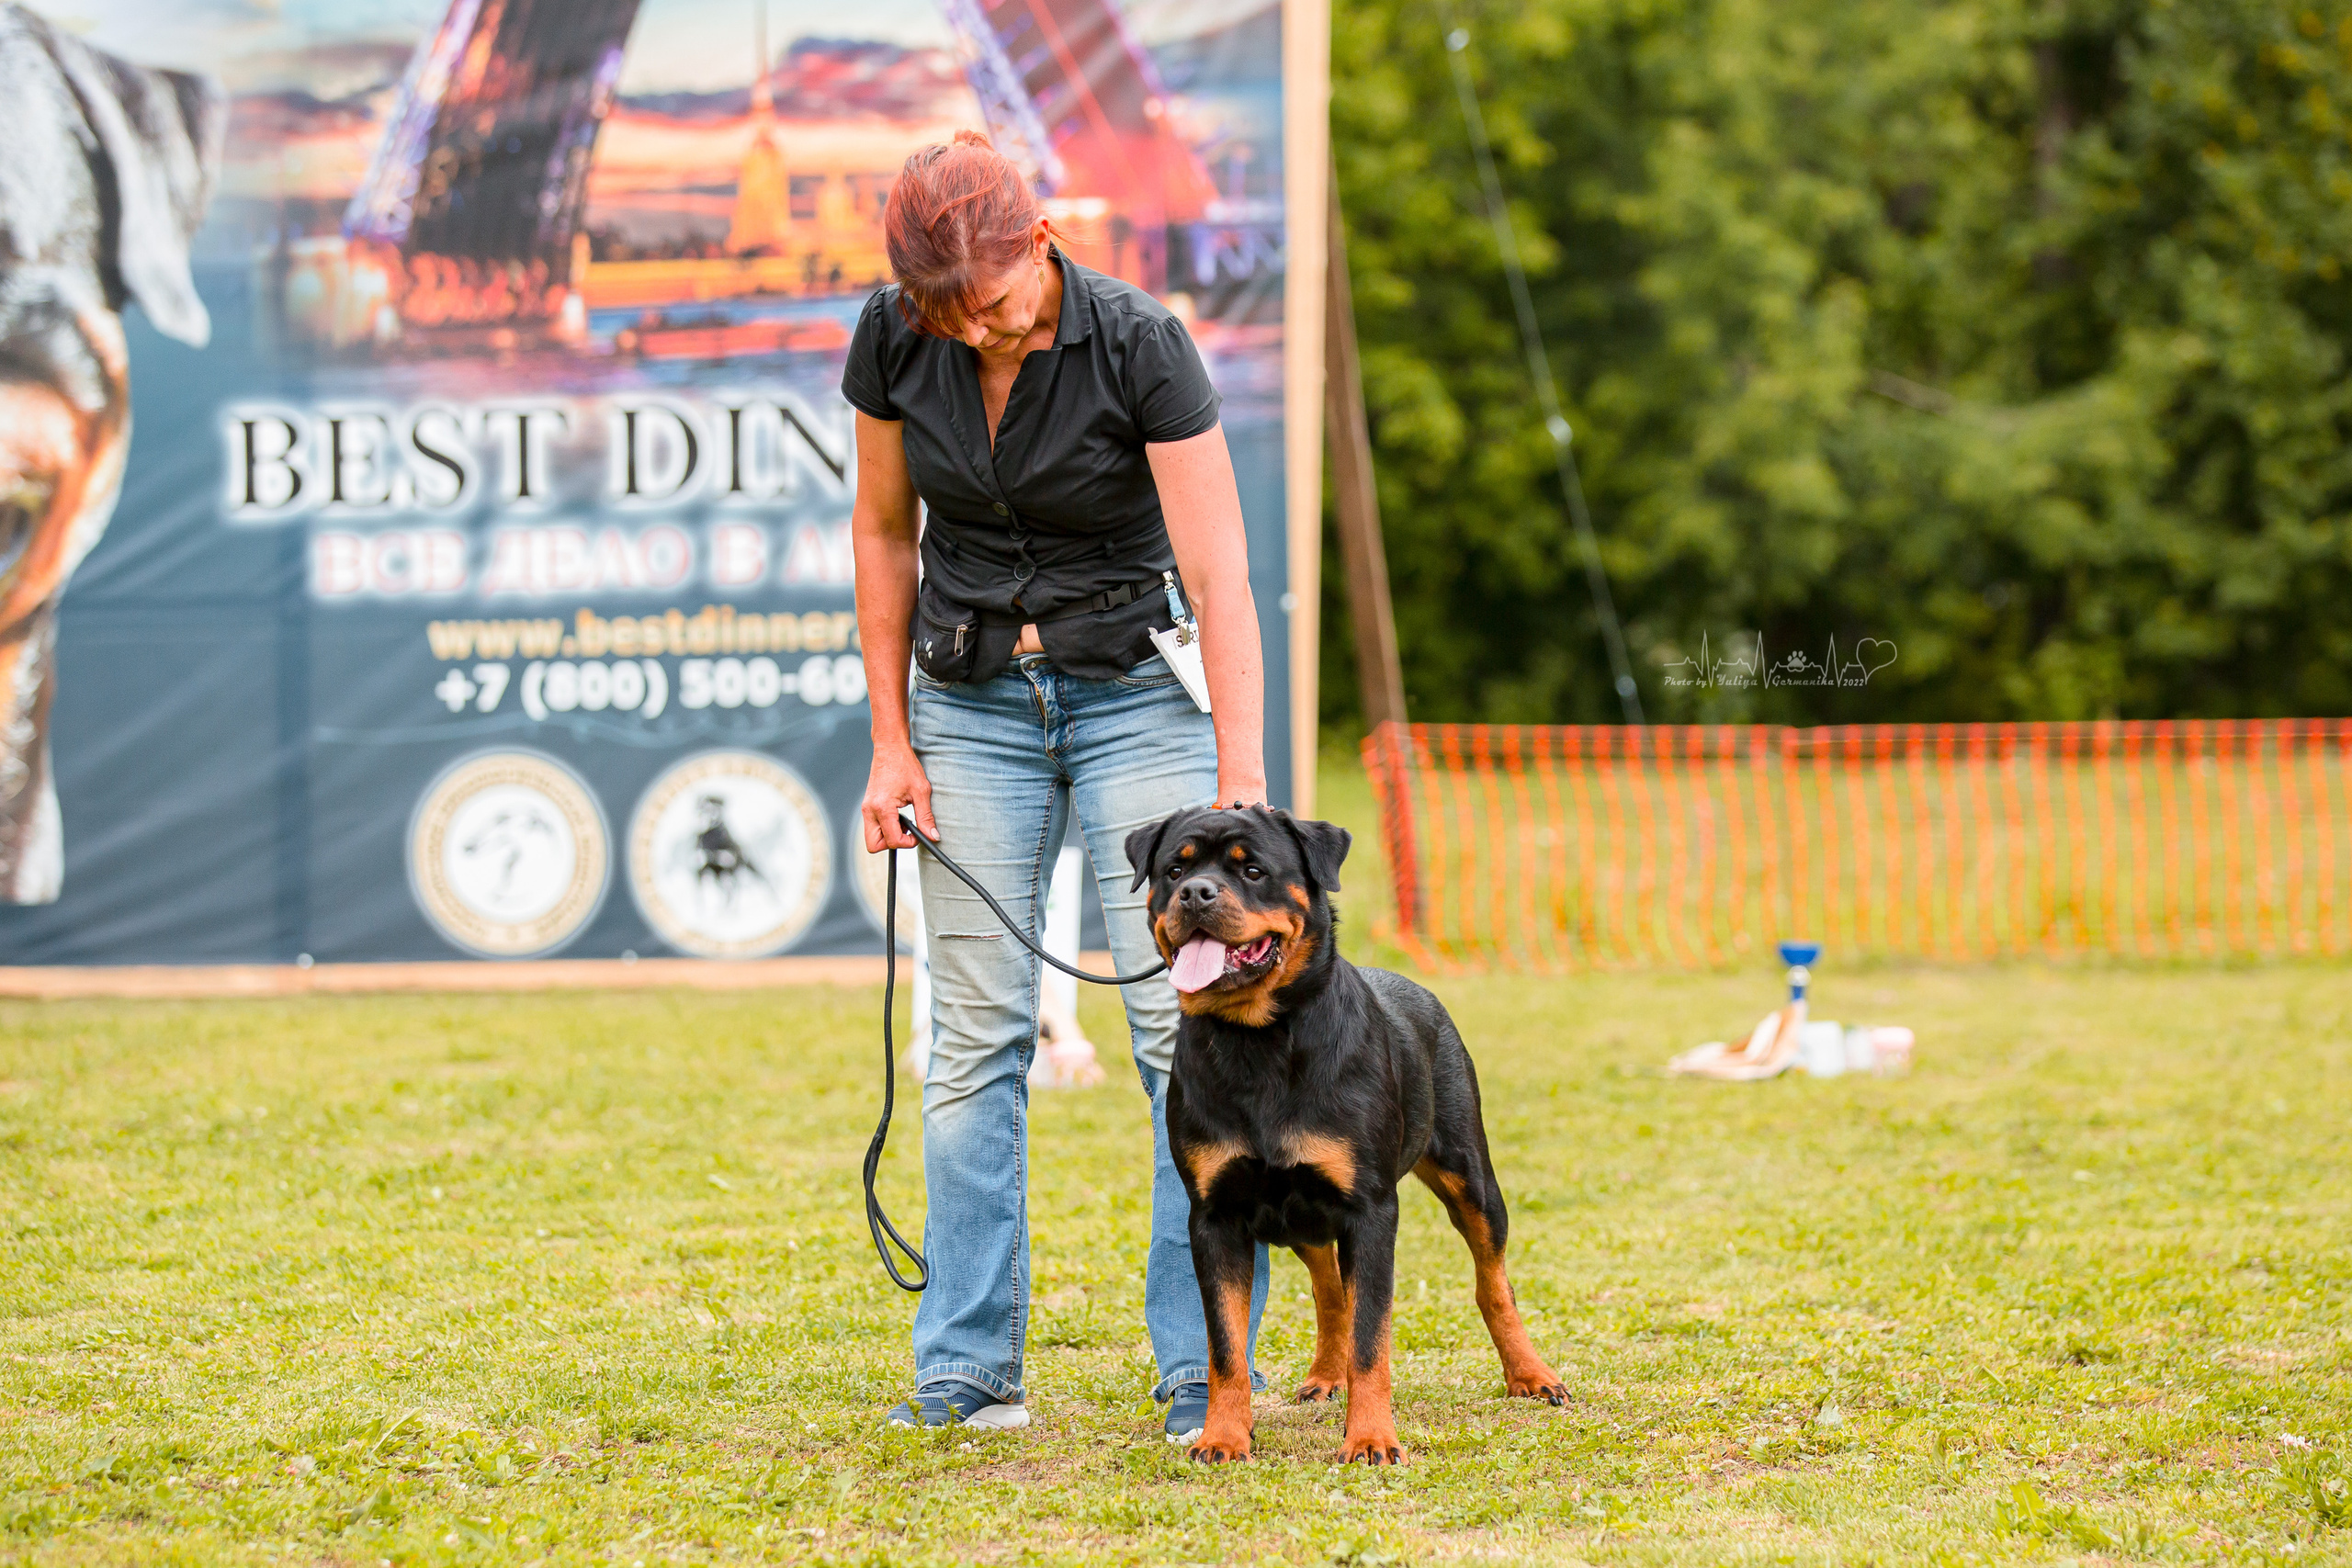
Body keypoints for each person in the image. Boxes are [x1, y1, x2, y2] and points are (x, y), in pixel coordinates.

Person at [845, 130, 1270, 1441]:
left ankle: (1203, 1368)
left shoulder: (1140, 343)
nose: (976, 333)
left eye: (996, 305)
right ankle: (968, 1368)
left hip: (1136, 689)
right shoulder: (894, 337)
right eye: (946, 314)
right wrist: (890, 741)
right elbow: (880, 531)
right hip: (967, 702)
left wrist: (1242, 784)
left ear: (1040, 242)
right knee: (975, 1036)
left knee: (1175, 1034)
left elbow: (1219, 579)